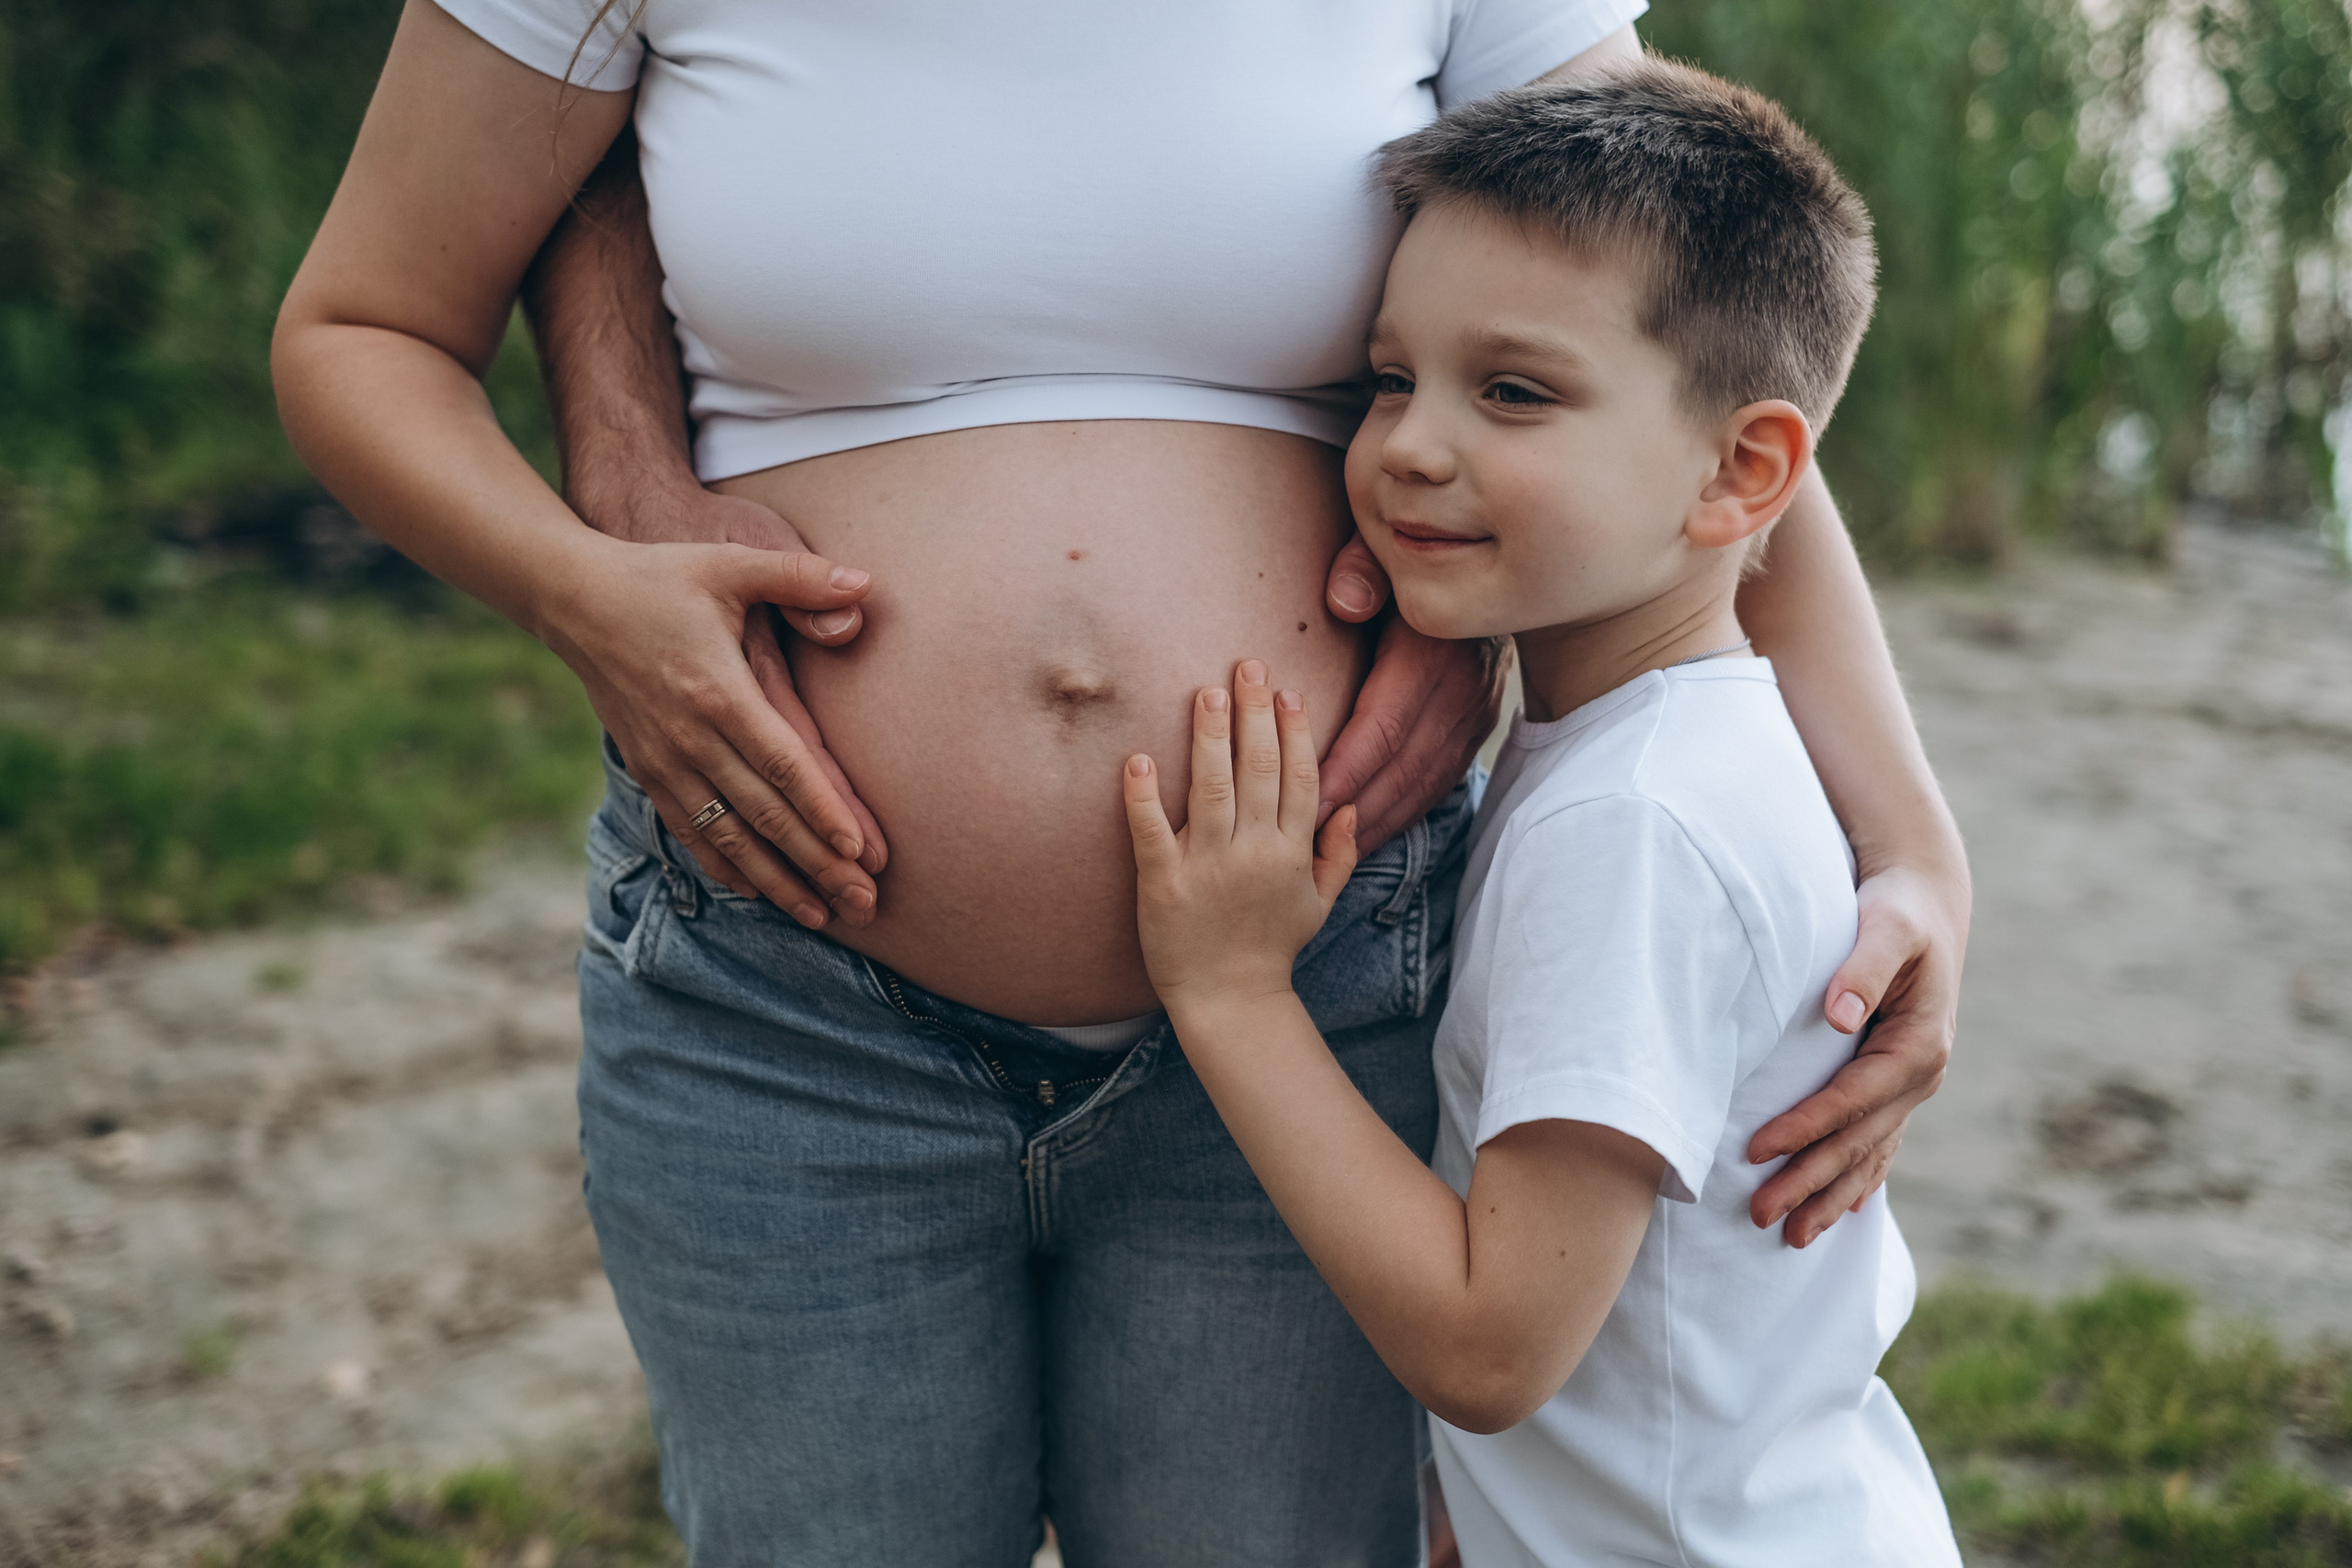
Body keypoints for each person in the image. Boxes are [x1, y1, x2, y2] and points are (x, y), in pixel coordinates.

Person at [270, 3, 1971, 1561]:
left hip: (1318, 985)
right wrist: (583, 589)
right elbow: (363, 325)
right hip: (784, 1005)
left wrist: (1913, 853)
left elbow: (1696, 381)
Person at [1117, 62, 1962, 1567]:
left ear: (1742, 471)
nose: (1411, 448)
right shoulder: (1673, 748)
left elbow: (1493, 1347)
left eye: (1514, 391)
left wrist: (1233, 992)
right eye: (1391, 378)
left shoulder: (1633, 827)